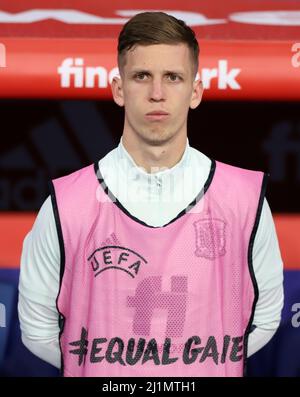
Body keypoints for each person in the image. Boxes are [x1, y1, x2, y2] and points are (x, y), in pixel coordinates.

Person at [18, 11, 284, 377]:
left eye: (172, 77)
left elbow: (265, 318)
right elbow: (37, 331)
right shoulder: (66, 204)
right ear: (119, 89)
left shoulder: (245, 199)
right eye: (142, 76)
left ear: (195, 92)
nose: (157, 93)